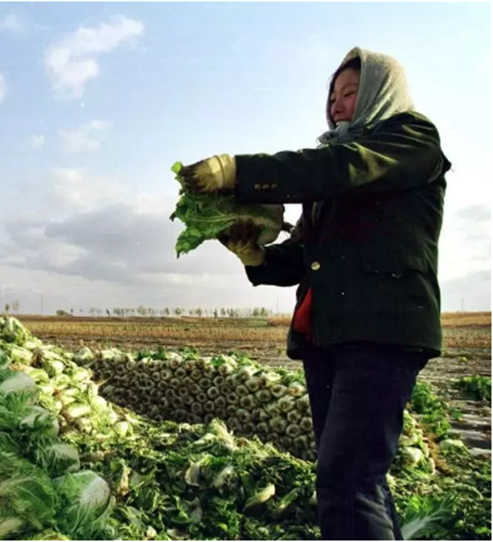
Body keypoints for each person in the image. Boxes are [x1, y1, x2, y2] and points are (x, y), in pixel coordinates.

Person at [175, 46, 451, 540]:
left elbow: (336, 167)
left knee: (346, 479)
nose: (338, 105)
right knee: (355, 476)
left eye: (351, 94)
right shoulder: (336, 180)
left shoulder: (409, 141)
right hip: (328, 335)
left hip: (380, 333)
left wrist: (237, 169)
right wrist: (257, 258)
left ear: (380, 95)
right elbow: (305, 257)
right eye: (333, 96)